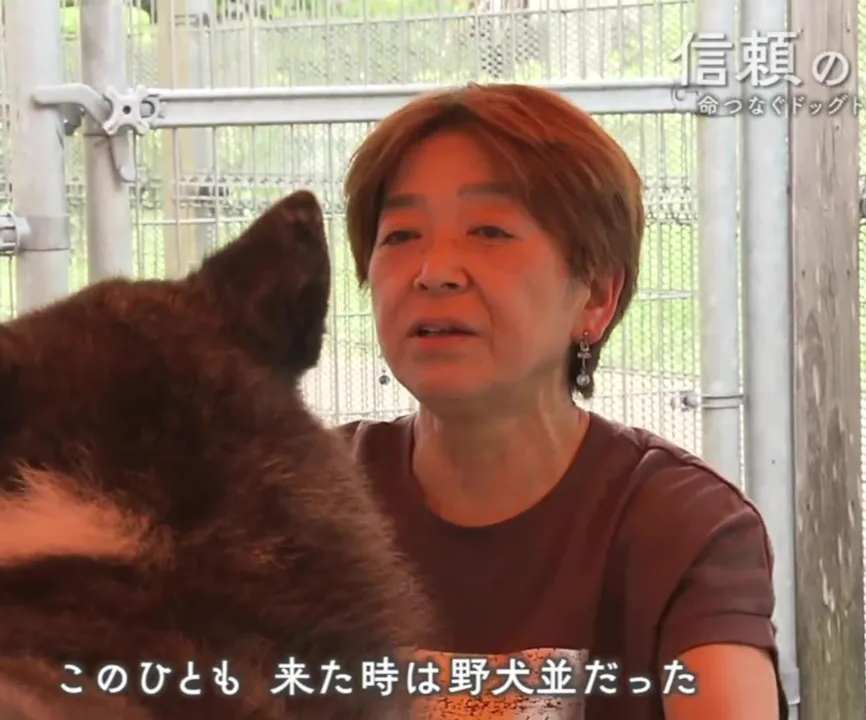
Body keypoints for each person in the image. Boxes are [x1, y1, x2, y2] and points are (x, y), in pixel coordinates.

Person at [336, 83, 786, 720]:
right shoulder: (296, 498)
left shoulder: (681, 525)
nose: (433, 271)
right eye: (401, 235)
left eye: (489, 231)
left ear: (596, 296)